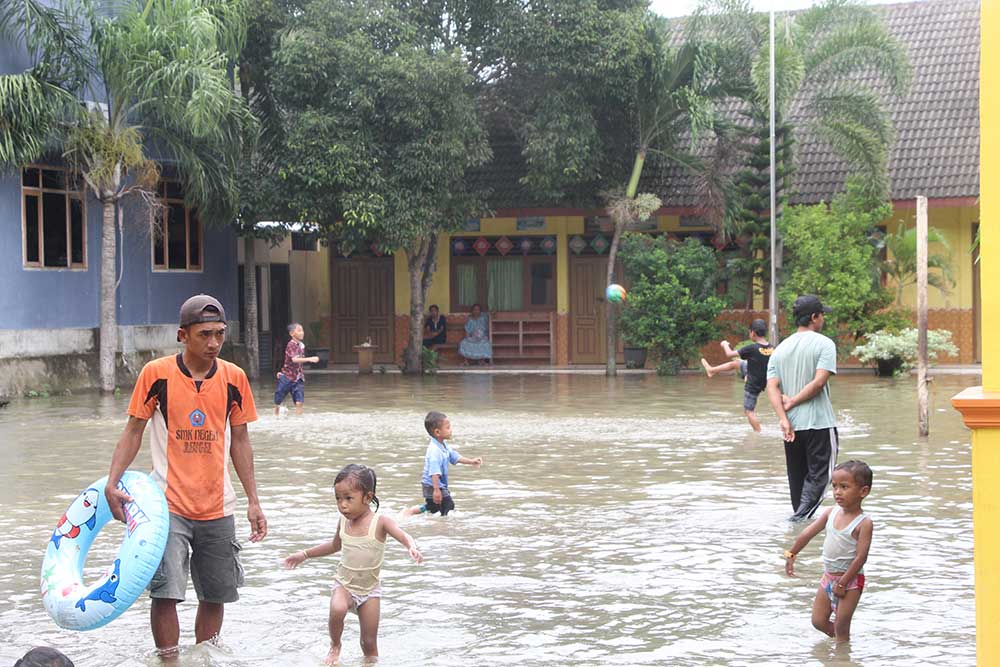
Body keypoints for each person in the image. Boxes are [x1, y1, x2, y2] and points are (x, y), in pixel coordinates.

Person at [103, 294, 267, 660]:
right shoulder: (156, 374)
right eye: (204, 334)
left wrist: (254, 501)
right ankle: (169, 660)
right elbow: (133, 430)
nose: (213, 343)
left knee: (215, 594)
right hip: (167, 505)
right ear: (183, 335)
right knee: (166, 593)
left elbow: (241, 441)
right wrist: (112, 483)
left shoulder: (234, 378)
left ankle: (205, 659)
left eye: (220, 334)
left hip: (218, 505)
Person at [283, 465, 423, 665]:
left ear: (367, 497)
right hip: (345, 584)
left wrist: (411, 546)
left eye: (348, 498)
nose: (342, 505)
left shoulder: (380, 522)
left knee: (369, 644)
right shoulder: (343, 521)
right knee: (338, 608)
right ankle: (335, 645)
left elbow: (403, 535)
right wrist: (304, 554)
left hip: (370, 590)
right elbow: (334, 545)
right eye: (338, 498)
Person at [784, 460, 874, 642]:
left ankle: (842, 648)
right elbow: (807, 534)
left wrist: (843, 583)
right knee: (818, 621)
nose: (837, 492)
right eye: (834, 486)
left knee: (842, 625)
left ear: (863, 491)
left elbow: (861, 557)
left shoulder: (864, 523)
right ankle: (842, 646)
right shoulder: (830, 513)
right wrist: (791, 554)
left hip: (850, 581)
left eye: (844, 487)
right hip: (828, 577)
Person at [766, 295, 838, 521]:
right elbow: (819, 383)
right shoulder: (825, 344)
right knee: (821, 478)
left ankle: (798, 525)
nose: (823, 319)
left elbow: (771, 387)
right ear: (814, 317)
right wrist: (794, 401)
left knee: (797, 483)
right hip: (819, 423)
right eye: (822, 315)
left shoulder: (780, 349)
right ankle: (797, 521)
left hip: (791, 427)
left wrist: (783, 418)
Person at [700, 318, 774, 431]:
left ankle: (758, 433)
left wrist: (724, 344)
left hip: (754, 383)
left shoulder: (751, 348)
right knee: (737, 363)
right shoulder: (772, 348)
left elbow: (729, 354)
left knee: (749, 411)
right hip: (764, 377)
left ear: (753, 333)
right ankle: (712, 370)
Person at [402, 411, 482, 517]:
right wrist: (436, 490)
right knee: (448, 505)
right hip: (432, 484)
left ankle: (411, 511)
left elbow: (454, 456)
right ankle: (443, 525)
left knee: (433, 507)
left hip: (434, 483)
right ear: (437, 432)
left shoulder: (443, 445)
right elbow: (434, 472)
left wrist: (471, 461)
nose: (451, 430)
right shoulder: (435, 450)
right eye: (448, 428)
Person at [275, 322, 320, 416]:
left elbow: (299, 361)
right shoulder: (291, 344)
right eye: (299, 330)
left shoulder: (301, 345)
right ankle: (276, 416)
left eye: (302, 330)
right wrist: (310, 359)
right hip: (287, 377)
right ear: (292, 333)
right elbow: (294, 359)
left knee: (299, 402)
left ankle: (299, 419)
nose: (302, 332)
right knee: (278, 400)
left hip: (298, 377)